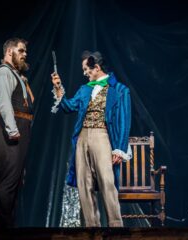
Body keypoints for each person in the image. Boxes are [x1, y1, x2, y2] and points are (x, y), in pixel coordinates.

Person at [51, 51, 131, 227]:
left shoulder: (119, 90)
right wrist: (58, 88)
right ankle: (91, 228)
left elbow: (124, 121)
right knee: (83, 184)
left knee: (107, 182)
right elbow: (68, 106)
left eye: (87, 69)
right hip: (82, 138)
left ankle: (116, 227)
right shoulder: (84, 89)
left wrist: (119, 148)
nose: (84, 73)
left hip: (103, 137)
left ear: (97, 67)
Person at [0, 37, 34, 227]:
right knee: (8, 178)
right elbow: (4, 102)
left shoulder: (17, 75)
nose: (25, 55)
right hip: (9, 127)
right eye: (21, 51)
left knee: (15, 180)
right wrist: (12, 129)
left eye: (25, 51)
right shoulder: (3, 73)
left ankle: (8, 225)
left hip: (20, 126)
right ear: (9, 52)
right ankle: (3, 227)